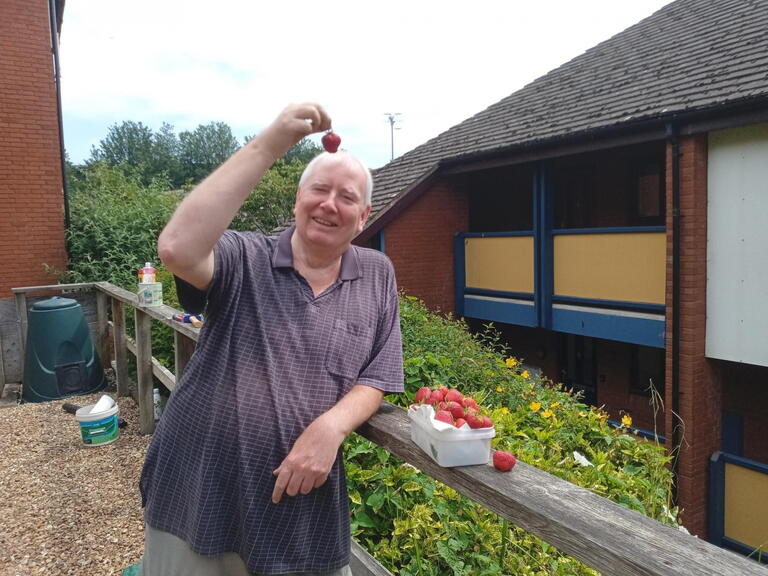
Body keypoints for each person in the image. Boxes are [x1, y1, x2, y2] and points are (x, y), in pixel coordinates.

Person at [139, 103, 404, 575]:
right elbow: (177, 249)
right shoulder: (246, 257)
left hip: (300, 509)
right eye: (319, 190)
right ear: (297, 200)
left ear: (363, 217)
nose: (329, 204)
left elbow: (379, 373)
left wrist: (332, 427)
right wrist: (272, 142)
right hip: (198, 490)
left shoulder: (378, 275)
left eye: (346, 197)